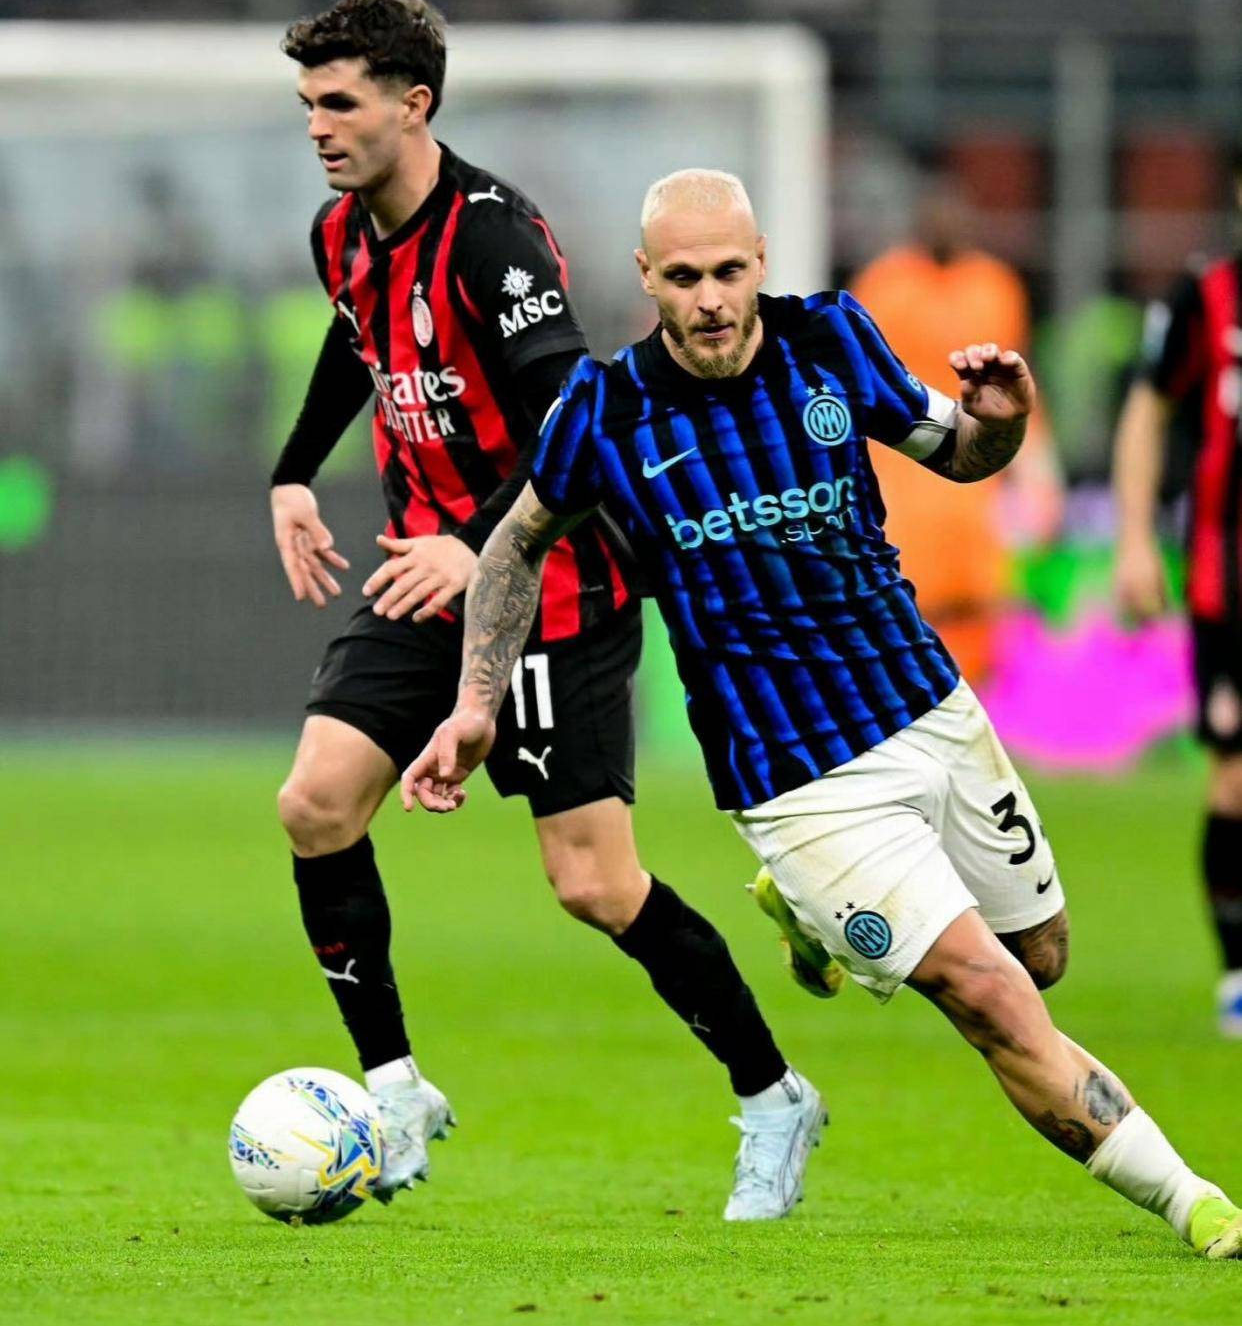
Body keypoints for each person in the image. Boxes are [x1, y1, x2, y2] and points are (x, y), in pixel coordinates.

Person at [404, 168, 1242, 1257]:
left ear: (762, 261)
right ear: (647, 277)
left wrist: (1002, 425)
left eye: (730, 271)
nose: (712, 299)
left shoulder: (834, 339)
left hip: (927, 706)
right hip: (793, 775)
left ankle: (802, 915)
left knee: (1039, 957)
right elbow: (515, 546)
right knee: (989, 995)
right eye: (686, 277)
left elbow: (959, 451)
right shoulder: (603, 409)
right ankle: (1196, 1202)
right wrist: (477, 702)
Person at [269, 0, 821, 1219]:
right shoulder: (340, 233)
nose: (317, 127)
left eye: (339, 103)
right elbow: (356, 342)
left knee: (594, 885)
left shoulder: (494, 242)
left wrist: (477, 546)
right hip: (427, 572)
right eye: (307, 104)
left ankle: (774, 1093)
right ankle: (395, 1089)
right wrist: (294, 471)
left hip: (549, 583)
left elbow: (575, 421)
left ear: (414, 104)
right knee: (314, 802)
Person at [1112, 149, 1242, 1036]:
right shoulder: (1208, 298)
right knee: (1235, 777)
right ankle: (1238, 971)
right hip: (1227, 585)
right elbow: (1148, 408)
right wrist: (1132, 539)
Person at [851, 169, 1062, 685]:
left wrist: (1039, 475)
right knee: (907, 616)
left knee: (978, 618)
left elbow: (1019, 385)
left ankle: (974, 706)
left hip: (974, 489)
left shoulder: (995, 287)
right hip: (903, 487)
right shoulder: (883, 286)